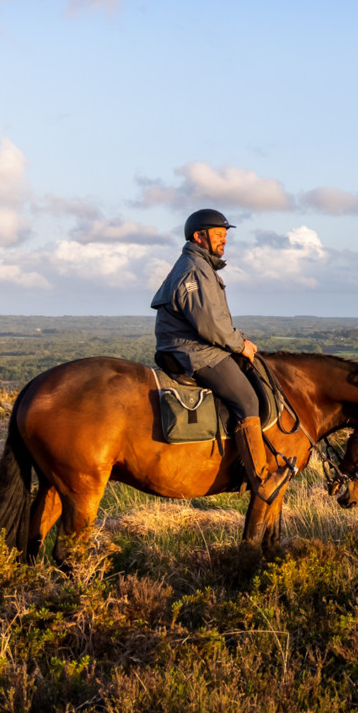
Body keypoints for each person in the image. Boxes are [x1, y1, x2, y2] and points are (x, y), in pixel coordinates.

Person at [151, 208, 290, 501]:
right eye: (218, 234)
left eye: (225, 235)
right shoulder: (194, 270)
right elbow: (209, 323)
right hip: (194, 351)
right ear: (198, 236)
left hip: (196, 346)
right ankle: (261, 479)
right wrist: (240, 344)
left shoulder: (199, 265)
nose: (224, 240)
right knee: (248, 399)